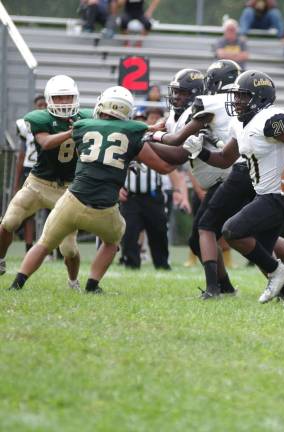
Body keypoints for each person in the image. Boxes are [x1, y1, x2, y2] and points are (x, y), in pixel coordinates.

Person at [147, 70, 284, 303]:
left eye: (243, 96)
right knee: (262, 251)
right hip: (263, 193)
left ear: (260, 98)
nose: (236, 101)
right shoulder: (239, 122)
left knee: (231, 231)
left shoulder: (272, 119)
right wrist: (201, 152)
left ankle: (278, 272)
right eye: (236, 96)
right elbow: (224, 159)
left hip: (283, 193)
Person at [8, 86, 175, 293]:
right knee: (113, 241)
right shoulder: (133, 131)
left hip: (73, 200)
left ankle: (17, 284)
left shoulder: (82, 125)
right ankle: (92, 285)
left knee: (44, 244)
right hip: (105, 208)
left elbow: (92, 147)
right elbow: (162, 166)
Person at [0, 76, 92, 288]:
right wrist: (72, 132)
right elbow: (46, 142)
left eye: (67, 97)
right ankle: (1, 259)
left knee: (68, 248)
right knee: (9, 222)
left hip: (69, 188)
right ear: (49, 100)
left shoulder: (87, 116)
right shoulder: (39, 118)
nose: (63, 102)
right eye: (58, 98)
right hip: (39, 183)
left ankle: (73, 282)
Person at [13, 96, 48, 254]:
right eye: (39, 105)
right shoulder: (26, 124)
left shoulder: (54, 124)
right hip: (30, 171)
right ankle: (29, 248)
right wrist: (16, 181)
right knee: (28, 213)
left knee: (53, 212)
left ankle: (49, 248)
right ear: (35, 107)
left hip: (48, 171)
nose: (42, 108)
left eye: (44, 105)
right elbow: (22, 154)